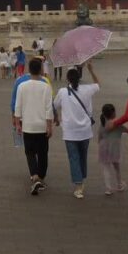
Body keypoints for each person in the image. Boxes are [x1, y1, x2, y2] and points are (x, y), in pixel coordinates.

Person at [53, 63, 100, 198]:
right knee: (82, 156)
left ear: (67, 79)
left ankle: (78, 185)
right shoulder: (87, 89)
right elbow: (98, 84)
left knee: (74, 158)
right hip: (85, 130)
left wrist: (56, 119)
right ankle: (81, 178)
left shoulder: (62, 92)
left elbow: (54, 106)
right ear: (79, 78)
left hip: (70, 131)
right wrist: (91, 70)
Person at [13, 58, 54, 195]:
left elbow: (17, 107)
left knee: (29, 152)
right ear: (41, 70)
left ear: (29, 70)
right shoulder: (46, 86)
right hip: (42, 125)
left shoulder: (21, 86)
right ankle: (41, 178)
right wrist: (50, 126)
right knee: (43, 153)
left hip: (28, 125)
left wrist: (17, 124)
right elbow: (49, 109)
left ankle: (34, 176)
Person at [98, 104, 126, 196]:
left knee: (106, 168)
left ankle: (108, 188)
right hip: (115, 148)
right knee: (116, 167)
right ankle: (119, 184)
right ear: (114, 112)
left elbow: (99, 137)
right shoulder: (118, 124)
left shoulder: (102, 123)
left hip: (104, 147)